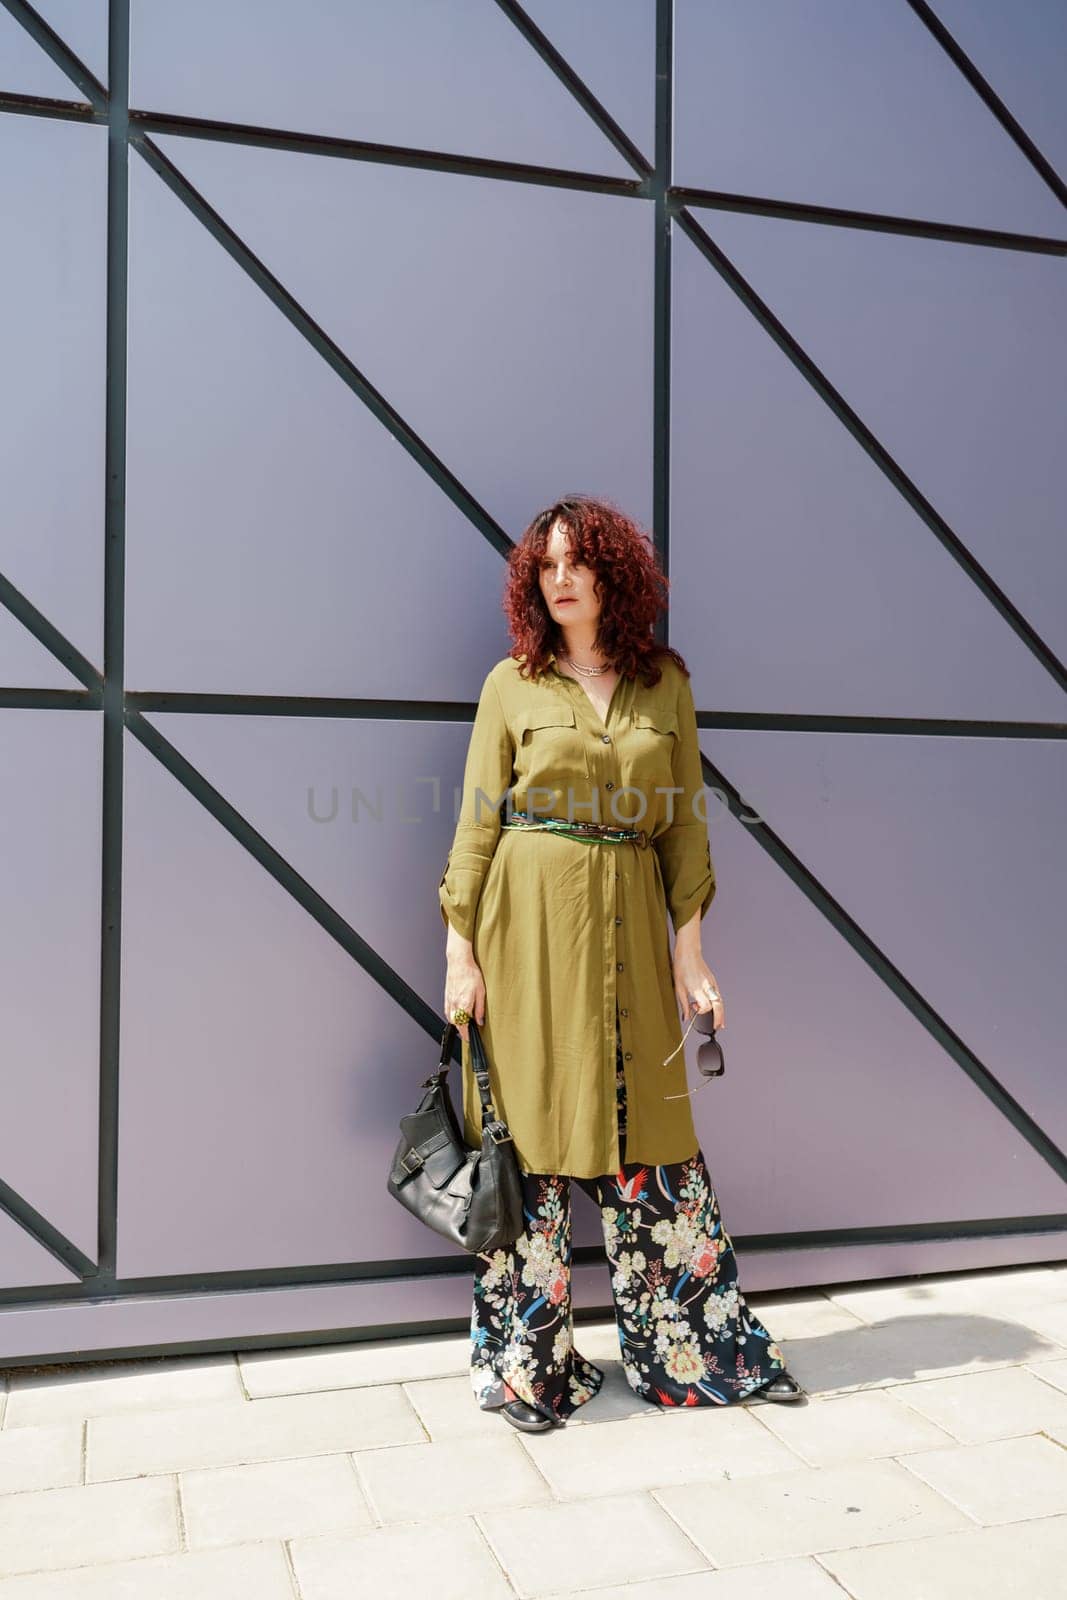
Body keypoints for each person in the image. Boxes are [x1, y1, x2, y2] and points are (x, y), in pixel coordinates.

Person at [439, 495, 805, 1432]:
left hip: (635, 927)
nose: (560, 578)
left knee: (652, 1130)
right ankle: (532, 1365)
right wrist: (459, 952)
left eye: (577, 561)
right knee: (536, 1132)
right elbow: (479, 821)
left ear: (612, 573)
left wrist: (692, 957)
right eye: (545, 566)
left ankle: (692, 1351)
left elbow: (684, 825)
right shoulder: (510, 684)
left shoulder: (664, 684)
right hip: (527, 932)